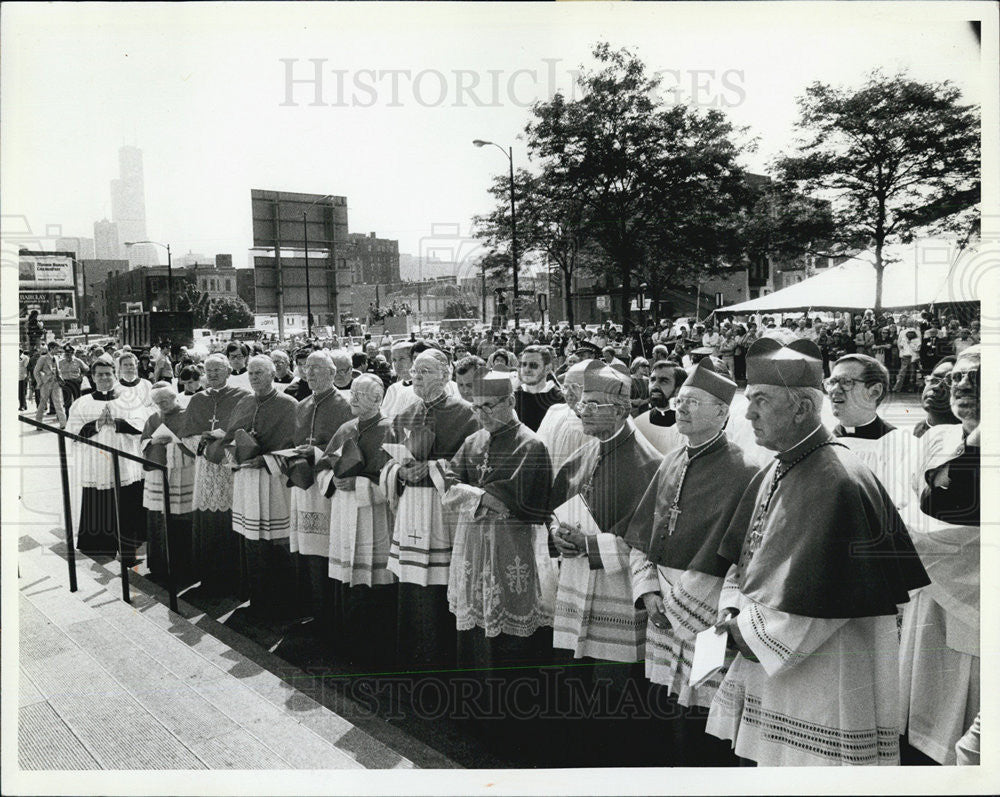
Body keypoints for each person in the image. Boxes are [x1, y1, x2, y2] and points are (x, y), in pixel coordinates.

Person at [706, 337, 929, 766]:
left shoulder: (838, 481)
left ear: (803, 409)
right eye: (748, 400)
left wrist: (746, 634)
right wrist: (732, 609)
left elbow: (825, 602)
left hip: (825, 677)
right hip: (776, 666)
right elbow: (745, 555)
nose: (748, 412)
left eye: (761, 401)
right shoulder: (779, 465)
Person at [625, 360, 758, 764]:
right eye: (680, 400)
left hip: (709, 610)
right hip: (661, 604)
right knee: (666, 702)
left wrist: (685, 599)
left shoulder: (747, 470)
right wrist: (648, 593)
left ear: (722, 412)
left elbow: (743, 556)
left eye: (693, 402)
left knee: (704, 710)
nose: (679, 408)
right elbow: (644, 535)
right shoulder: (670, 461)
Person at [443, 372, 554, 752]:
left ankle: (510, 723)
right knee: (473, 626)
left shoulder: (530, 444)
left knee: (508, 633)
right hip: (473, 546)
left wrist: (479, 494)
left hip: (513, 548)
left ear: (509, 403)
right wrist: (483, 495)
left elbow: (524, 500)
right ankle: (474, 712)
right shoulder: (474, 440)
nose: (480, 415)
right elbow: (451, 478)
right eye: (475, 407)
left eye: (488, 407)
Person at [898, 346, 980, 765]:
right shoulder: (939, 437)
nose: (964, 384)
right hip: (927, 597)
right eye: (959, 376)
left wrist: (900, 527)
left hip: (974, 606)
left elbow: (962, 530)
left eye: (979, 376)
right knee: (915, 713)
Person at [381, 350, 479, 671]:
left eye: (425, 371)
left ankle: (441, 661)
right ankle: (413, 659)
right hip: (411, 511)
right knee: (411, 586)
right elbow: (387, 463)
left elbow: (474, 466)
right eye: (415, 371)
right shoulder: (406, 413)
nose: (417, 376)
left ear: (445, 374)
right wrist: (400, 473)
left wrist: (432, 468)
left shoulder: (467, 415)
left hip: (444, 513)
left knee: (440, 587)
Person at [322, 374, 395, 668]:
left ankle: (375, 649)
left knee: (373, 580)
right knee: (346, 579)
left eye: (361, 394)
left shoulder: (390, 429)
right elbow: (323, 466)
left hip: (373, 515)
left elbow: (393, 478)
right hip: (343, 510)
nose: (353, 398)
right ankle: (347, 644)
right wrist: (333, 479)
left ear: (378, 400)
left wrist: (360, 486)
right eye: (352, 392)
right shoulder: (345, 428)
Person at [226, 355, 299, 618]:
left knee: (278, 540)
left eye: (259, 372)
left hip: (274, 480)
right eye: (251, 373)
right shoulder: (244, 402)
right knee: (252, 540)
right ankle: (258, 599)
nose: (254, 377)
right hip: (247, 479)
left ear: (272, 374)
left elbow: (296, 447)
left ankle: (283, 603)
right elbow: (229, 437)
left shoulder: (289, 405)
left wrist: (266, 459)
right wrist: (236, 450)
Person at [287, 351, 353, 635]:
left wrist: (318, 454)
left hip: (328, 486)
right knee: (307, 548)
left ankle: (330, 612)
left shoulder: (345, 404)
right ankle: (312, 608)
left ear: (332, 372)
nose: (309, 373)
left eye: (316, 368)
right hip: (304, 483)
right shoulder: (301, 405)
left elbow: (350, 447)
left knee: (327, 549)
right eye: (306, 368)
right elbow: (294, 439)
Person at [66, 355, 152, 562]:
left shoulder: (128, 400)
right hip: (97, 463)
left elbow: (143, 426)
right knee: (100, 501)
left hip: (125, 463)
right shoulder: (82, 403)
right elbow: (71, 433)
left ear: (114, 375)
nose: (104, 378)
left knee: (128, 503)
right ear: (93, 378)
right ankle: (100, 548)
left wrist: (119, 423)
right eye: (100, 375)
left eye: (108, 374)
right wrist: (96, 425)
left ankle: (129, 549)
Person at [183, 353, 251, 596]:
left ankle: (235, 578)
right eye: (208, 370)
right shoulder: (197, 399)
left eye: (217, 370)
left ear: (227, 371)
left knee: (232, 517)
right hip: (205, 467)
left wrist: (224, 450)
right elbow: (187, 434)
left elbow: (246, 431)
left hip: (230, 467)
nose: (212, 374)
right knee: (208, 520)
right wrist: (206, 449)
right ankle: (210, 578)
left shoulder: (243, 397)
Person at [139, 382, 196, 585]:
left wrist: (176, 442)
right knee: (157, 518)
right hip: (158, 473)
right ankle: (159, 565)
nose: (161, 404)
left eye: (164, 400)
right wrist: (153, 442)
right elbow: (143, 442)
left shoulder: (188, 414)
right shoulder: (153, 418)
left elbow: (195, 443)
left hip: (183, 474)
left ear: (174, 398)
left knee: (182, 518)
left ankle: (184, 567)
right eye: (157, 402)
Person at [632, 360, 686, 455]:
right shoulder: (638, 424)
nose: (654, 386)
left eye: (663, 381)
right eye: (652, 380)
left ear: (678, 389)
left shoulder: (689, 427)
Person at [513, 345, 564, 432]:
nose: (526, 369)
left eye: (533, 365)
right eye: (523, 364)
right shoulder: (513, 398)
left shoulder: (561, 400)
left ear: (547, 368)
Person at [912, 356, 959, 438]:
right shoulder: (919, 428)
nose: (936, 387)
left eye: (949, 382)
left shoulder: (962, 435)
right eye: (934, 379)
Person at [33, 341, 67, 428]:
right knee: (43, 404)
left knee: (58, 403)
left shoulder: (56, 357)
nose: (58, 350)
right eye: (56, 348)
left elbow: (57, 370)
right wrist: (40, 383)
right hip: (46, 384)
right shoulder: (43, 358)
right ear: (51, 348)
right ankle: (38, 424)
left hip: (56, 384)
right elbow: (36, 371)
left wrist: (60, 379)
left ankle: (63, 424)